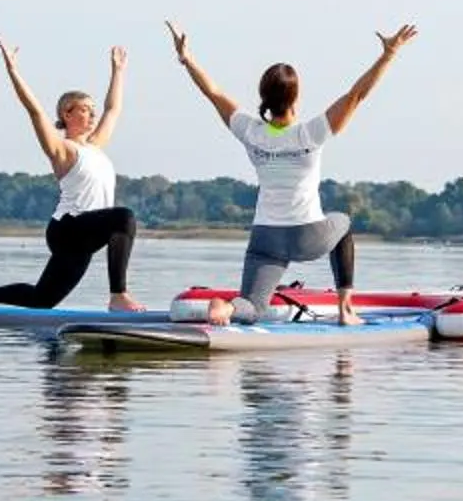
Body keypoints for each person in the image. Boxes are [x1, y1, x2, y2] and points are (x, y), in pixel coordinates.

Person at [169, 21, 418, 325]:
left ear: (263, 96)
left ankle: (228, 309)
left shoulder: (250, 131)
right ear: (296, 98)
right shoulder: (310, 133)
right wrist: (388, 55)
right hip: (307, 235)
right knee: (344, 224)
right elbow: (357, 95)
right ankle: (345, 310)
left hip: (265, 237)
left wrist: (187, 58)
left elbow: (213, 92)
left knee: (253, 306)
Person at [0, 38, 141, 311]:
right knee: (125, 217)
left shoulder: (96, 146)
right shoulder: (63, 150)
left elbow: (113, 109)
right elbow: (34, 111)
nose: (91, 116)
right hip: (68, 229)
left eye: (92, 111)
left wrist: (118, 72)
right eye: (85, 110)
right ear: (66, 113)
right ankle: (118, 295)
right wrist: (13, 71)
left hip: (84, 237)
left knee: (43, 300)